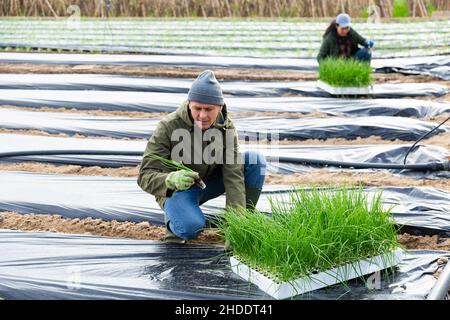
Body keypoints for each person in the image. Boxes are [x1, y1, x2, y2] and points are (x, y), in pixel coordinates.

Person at [137, 70, 266, 242]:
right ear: (189, 104)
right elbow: (144, 175)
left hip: (209, 182)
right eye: (197, 108)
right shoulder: (168, 126)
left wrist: (237, 225)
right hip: (178, 190)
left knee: (254, 161)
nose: (202, 115)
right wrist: (170, 180)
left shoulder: (226, 127)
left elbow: (233, 174)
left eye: (209, 109)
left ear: (220, 107)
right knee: (191, 227)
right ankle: (175, 219)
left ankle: (242, 221)